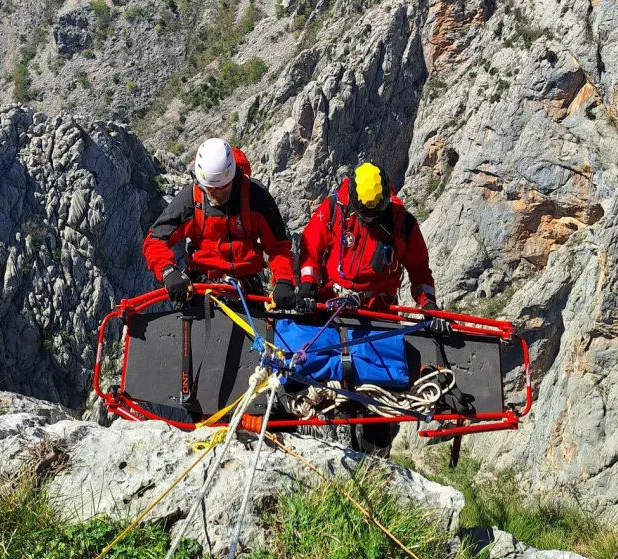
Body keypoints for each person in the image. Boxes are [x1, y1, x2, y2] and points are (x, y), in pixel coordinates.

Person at [296, 161, 452, 456]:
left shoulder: (403, 225)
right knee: (313, 387)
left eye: (373, 214)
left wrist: (428, 304)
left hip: (376, 318)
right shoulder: (333, 211)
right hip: (329, 311)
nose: (367, 220)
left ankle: (376, 461)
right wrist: (306, 284)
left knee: (377, 405)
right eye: (363, 214)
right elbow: (311, 249)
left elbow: (419, 271)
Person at [142, 138, 296, 308]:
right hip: (201, 287)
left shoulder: (256, 197)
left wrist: (284, 280)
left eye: (222, 187)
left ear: (232, 176)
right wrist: (169, 271)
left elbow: (278, 247)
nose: (215, 194)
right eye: (210, 188)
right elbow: (155, 240)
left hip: (246, 288)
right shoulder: (192, 200)